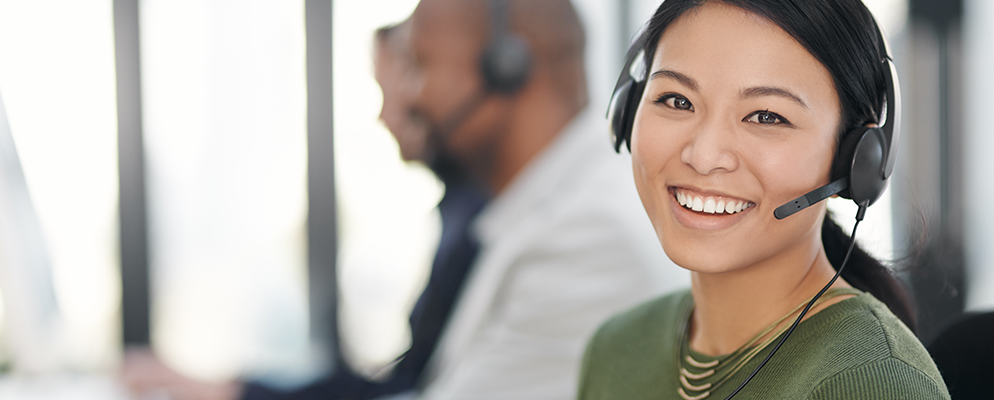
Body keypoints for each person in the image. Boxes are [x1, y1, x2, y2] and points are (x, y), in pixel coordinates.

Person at [124, 0, 687, 399]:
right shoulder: (534, 213)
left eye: (419, 64)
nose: (407, 94)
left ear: (507, 68)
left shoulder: (588, 237)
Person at [577, 1, 950, 399]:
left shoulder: (871, 381)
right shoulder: (617, 348)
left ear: (856, 157)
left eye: (767, 116)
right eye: (677, 100)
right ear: (628, 110)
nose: (703, 157)